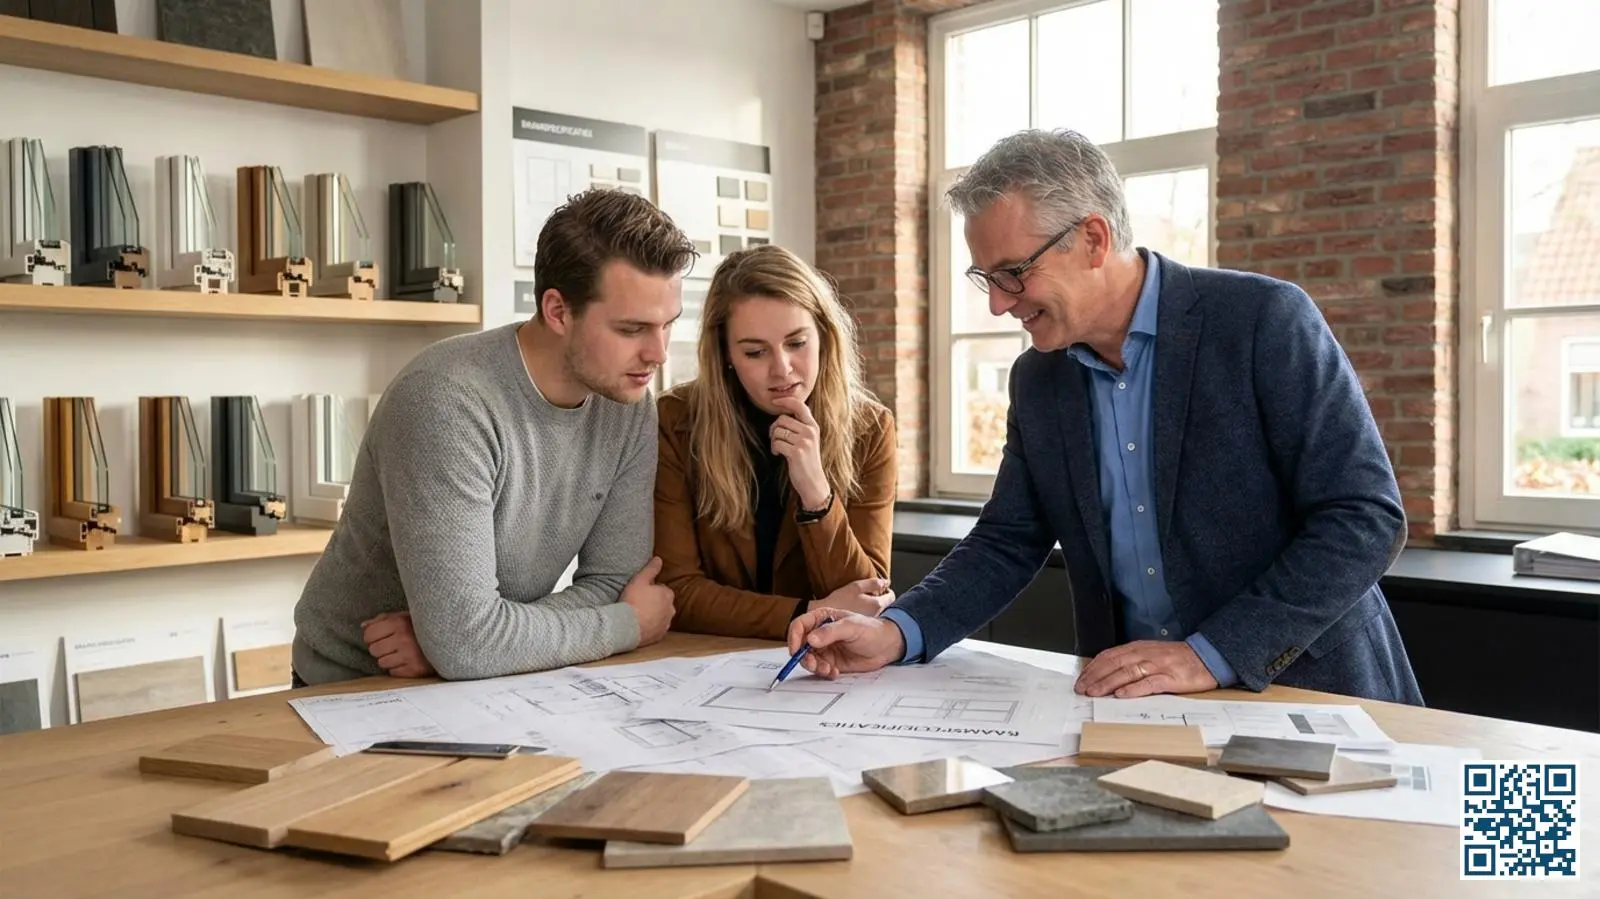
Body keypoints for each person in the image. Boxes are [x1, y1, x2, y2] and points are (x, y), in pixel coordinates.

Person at [784, 129, 1424, 706]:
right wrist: (896, 632)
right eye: (987, 279)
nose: (1001, 306)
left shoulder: (1263, 321)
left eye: (1013, 274)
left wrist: (1211, 653)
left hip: (1310, 693)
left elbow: (1363, 518)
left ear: (1093, 238)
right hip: (1131, 704)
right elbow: (1007, 540)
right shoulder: (1039, 379)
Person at [290, 189, 694, 685]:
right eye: (632, 329)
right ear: (558, 311)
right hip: (354, 683)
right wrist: (628, 625)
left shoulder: (630, 404)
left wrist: (474, 640)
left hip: (499, 680)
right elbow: (476, 643)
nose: (658, 353)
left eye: (667, 325)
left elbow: (615, 583)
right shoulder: (447, 401)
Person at [653, 244, 898, 639]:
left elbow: (868, 598)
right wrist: (808, 611)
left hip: (821, 666)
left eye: (797, 343)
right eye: (755, 351)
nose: (782, 369)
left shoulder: (870, 429)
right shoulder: (675, 420)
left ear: (824, 336)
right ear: (725, 355)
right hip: (703, 660)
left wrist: (817, 494)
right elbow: (676, 591)